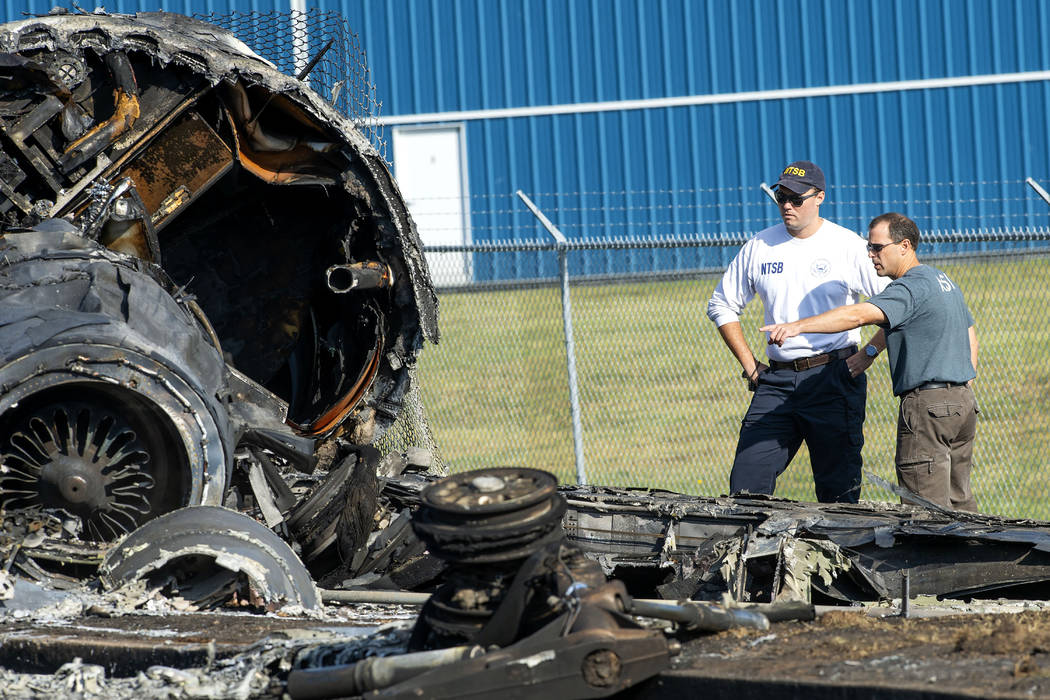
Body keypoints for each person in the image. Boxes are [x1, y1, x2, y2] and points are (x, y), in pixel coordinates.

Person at [761, 212, 979, 511]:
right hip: (962, 402)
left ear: (904, 246)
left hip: (927, 405)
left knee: (925, 511)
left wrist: (798, 326)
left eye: (878, 247)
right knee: (960, 504)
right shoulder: (941, 280)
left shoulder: (908, 287)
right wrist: (963, 383)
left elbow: (858, 315)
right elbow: (970, 332)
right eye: (869, 246)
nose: (871, 254)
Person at [707, 160, 888, 503]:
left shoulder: (847, 246)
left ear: (819, 197)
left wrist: (868, 355)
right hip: (776, 383)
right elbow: (721, 304)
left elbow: (895, 308)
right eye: (781, 197)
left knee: (838, 495)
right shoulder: (759, 247)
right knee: (746, 486)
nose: (787, 205)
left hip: (834, 377)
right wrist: (750, 365)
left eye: (796, 198)